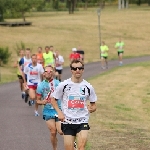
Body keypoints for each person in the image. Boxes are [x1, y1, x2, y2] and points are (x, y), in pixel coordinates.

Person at [51, 59, 97, 150]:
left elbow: (93, 104)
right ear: (71, 70)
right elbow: (53, 99)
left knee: (81, 147)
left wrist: (93, 108)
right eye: (74, 68)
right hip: (68, 121)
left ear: (83, 70)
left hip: (82, 120)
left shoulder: (88, 87)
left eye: (80, 68)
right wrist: (59, 112)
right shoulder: (63, 85)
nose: (77, 70)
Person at [36, 65, 63, 150]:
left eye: (50, 71)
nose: (48, 73)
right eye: (46, 71)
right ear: (43, 73)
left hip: (58, 109)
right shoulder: (40, 85)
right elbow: (37, 100)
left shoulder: (58, 83)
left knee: (61, 131)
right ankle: (54, 148)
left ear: (53, 73)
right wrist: (41, 102)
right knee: (53, 132)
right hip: (47, 111)